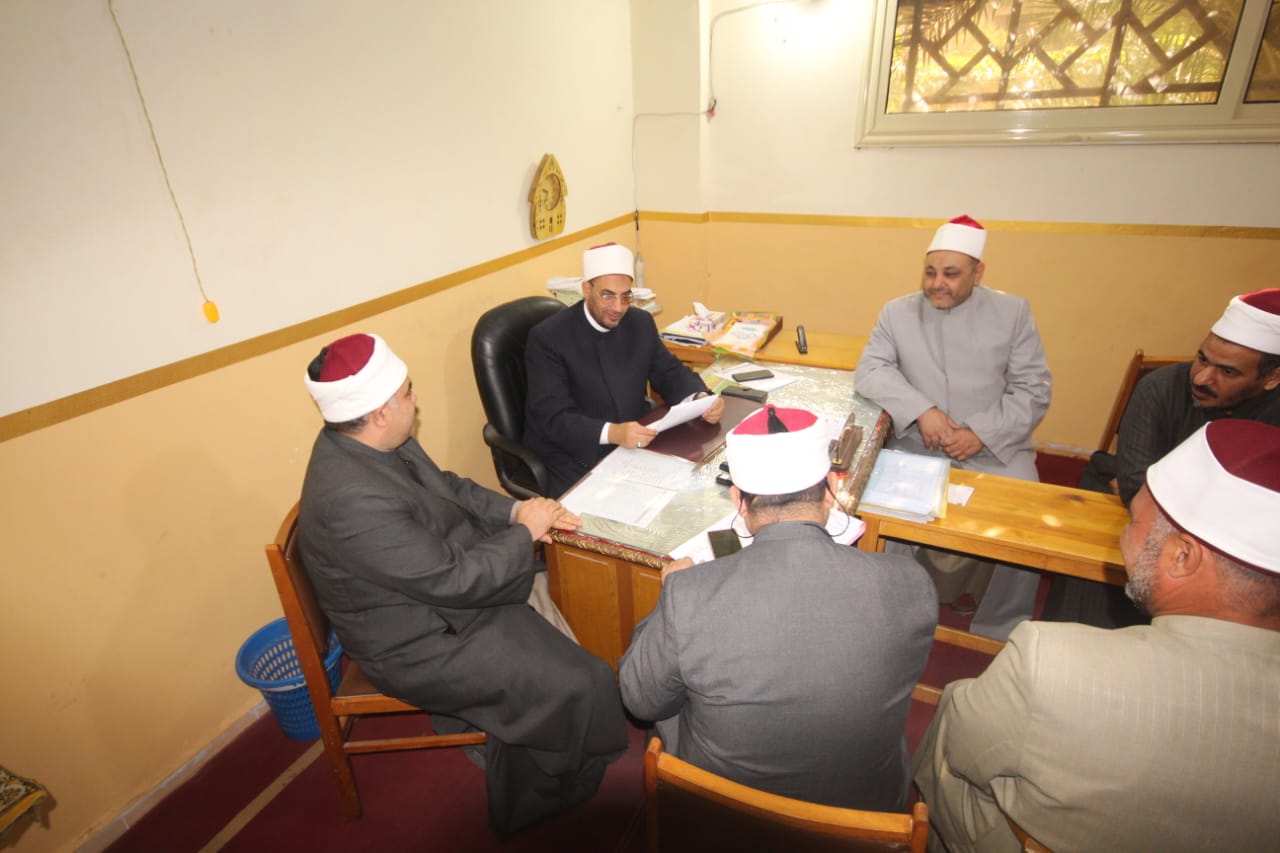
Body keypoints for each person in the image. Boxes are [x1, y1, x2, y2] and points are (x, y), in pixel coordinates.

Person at [297, 332, 628, 835]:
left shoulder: (374, 441)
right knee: (585, 679)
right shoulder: (352, 501)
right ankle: (548, 788)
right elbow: (454, 582)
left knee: (576, 600)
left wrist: (517, 511)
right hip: (416, 639)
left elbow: (449, 487)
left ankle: (514, 721)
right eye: (408, 392)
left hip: (438, 591)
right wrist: (524, 534)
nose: (415, 400)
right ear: (381, 412)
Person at [913, 418, 1280, 853]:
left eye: (1134, 520)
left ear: (1182, 556)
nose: (1122, 536)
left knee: (955, 707)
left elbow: (964, 751)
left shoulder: (1049, 659)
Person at [618, 405, 937, 811]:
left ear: (739, 500)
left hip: (727, 814)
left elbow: (641, 701)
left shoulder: (690, 593)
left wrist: (668, 594)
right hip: (864, 814)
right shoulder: (910, 583)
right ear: (831, 489)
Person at [855, 215, 1052, 640]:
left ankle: (1000, 623)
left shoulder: (1013, 312)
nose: (937, 284)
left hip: (996, 445)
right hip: (917, 442)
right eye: (930, 272)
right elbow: (871, 371)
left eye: (950, 274)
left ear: (978, 274)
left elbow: (1032, 389)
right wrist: (921, 409)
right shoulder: (897, 311)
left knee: (1026, 517)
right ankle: (890, 609)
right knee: (881, 507)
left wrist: (981, 432)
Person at [1049, 287, 1280, 627]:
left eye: (1228, 372)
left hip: (1238, 546)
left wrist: (1157, 491)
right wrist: (1152, 493)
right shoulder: (1159, 388)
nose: (1202, 378)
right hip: (1143, 516)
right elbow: (1134, 486)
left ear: (1272, 378)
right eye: (1202, 359)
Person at [524, 242, 725, 496]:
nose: (618, 307)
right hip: (576, 452)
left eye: (626, 296)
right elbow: (553, 419)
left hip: (636, 440)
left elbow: (668, 371)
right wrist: (613, 433)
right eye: (607, 295)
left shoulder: (639, 322)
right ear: (586, 289)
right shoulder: (549, 338)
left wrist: (699, 398)